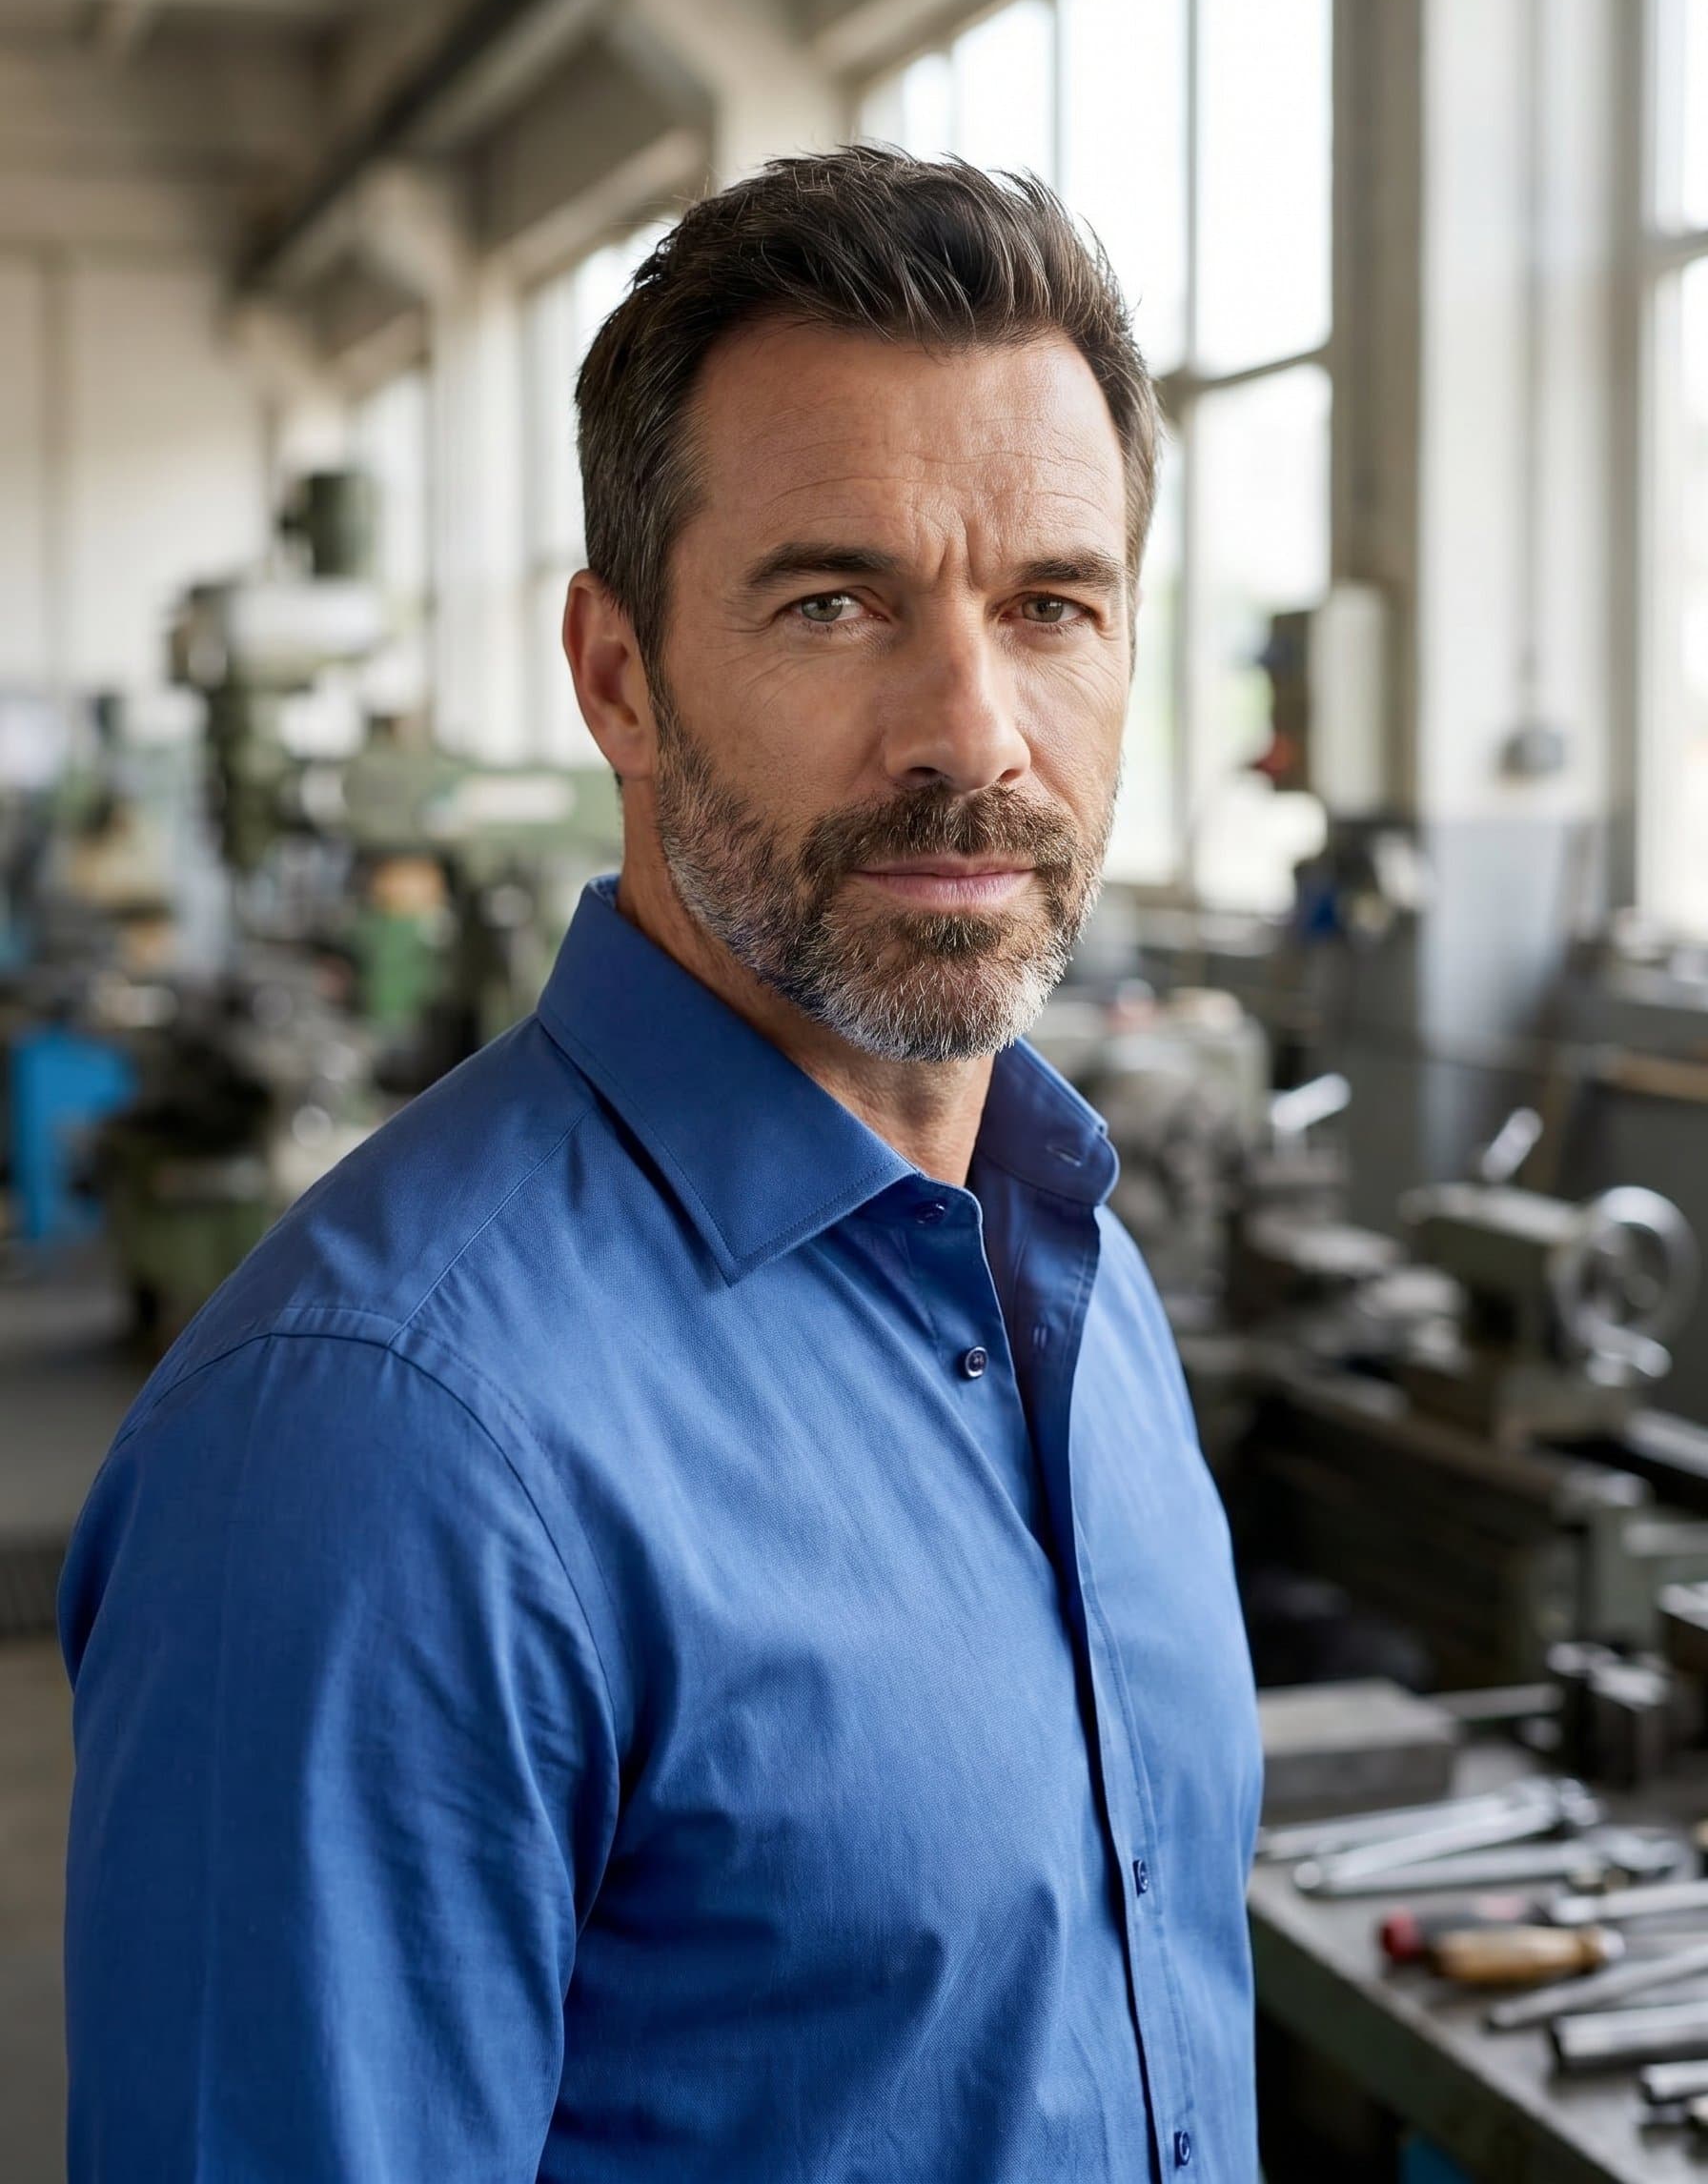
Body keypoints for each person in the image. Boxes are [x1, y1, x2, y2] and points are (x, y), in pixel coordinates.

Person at [60, 147, 1261, 2183]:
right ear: (616, 675)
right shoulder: (378, 1451)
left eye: (1049, 604)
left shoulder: (1078, 1280)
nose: (969, 730)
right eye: (832, 601)